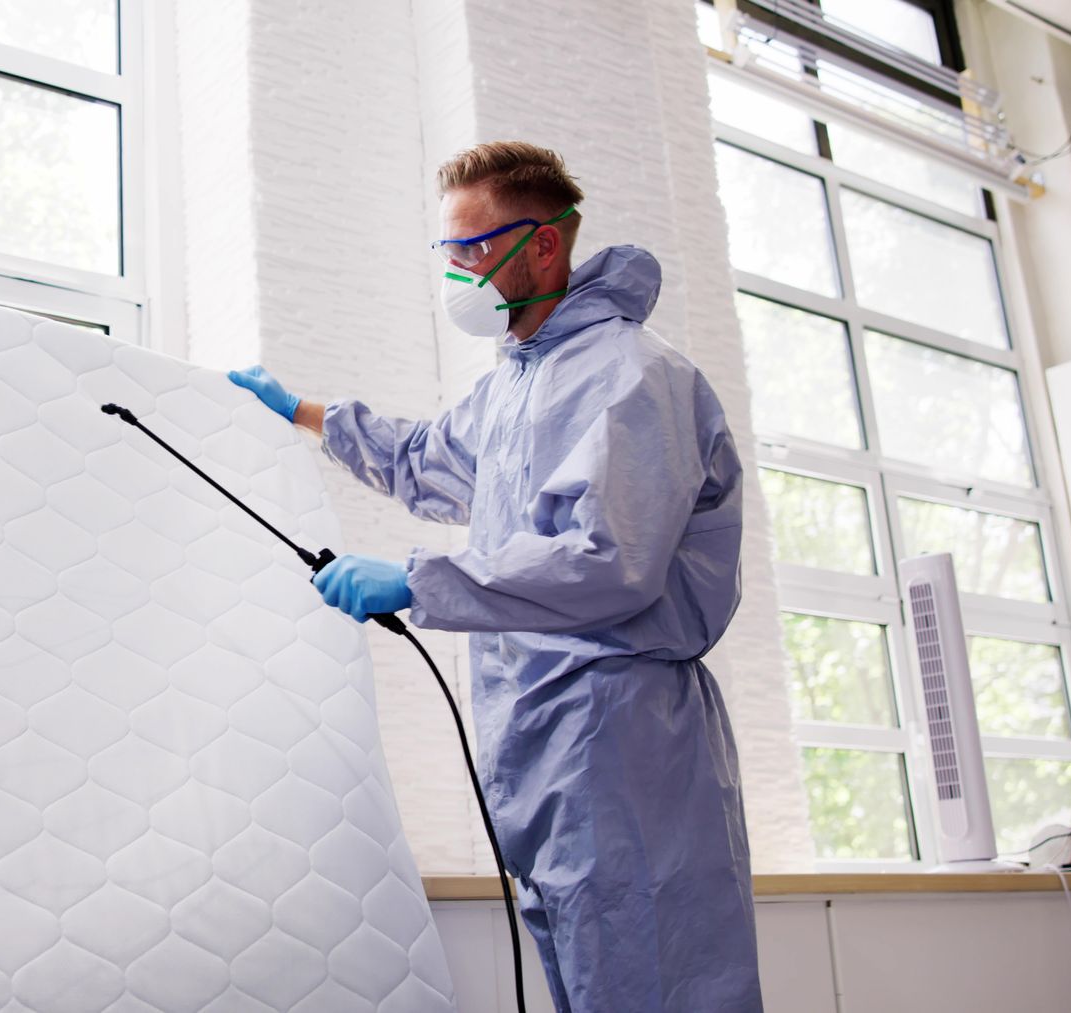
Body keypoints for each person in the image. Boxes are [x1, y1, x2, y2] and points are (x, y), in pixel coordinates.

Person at [228, 141, 762, 1012]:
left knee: (652, 977)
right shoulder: (513, 385)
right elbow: (427, 459)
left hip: (622, 737)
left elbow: (609, 563)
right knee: (589, 977)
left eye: (473, 248)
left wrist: (416, 580)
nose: (458, 272)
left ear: (544, 245)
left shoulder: (634, 377)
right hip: (535, 730)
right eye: (449, 251)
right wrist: (300, 413)